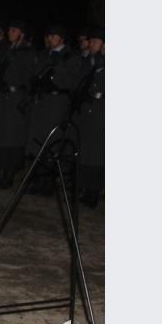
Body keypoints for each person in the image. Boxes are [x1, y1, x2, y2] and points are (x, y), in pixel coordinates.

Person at [26, 24, 82, 195]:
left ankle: (48, 183)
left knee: (52, 142)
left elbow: (72, 80)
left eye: (53, 35)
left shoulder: (71, 56)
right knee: (39, 141)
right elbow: (34, 72)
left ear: (61, 38)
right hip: (42, 100)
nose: (50, 39)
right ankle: (38, 179)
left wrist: (54, 74)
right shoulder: (45, 54)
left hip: (58, 101)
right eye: (48, 36)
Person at [0, 20, 36, 188]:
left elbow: (30, 76)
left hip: (16, 99)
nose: (10, 33)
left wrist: (21, 92)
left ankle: (8, 175)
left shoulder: (27, 52)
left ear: (21, 34)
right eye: (9, 30)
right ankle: (1, 171)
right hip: (3, 98)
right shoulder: (6, 49)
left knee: (12, 139)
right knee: (0, 136)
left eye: (14, 30)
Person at [72, 28, 104, 207]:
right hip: (86, 111)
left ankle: (93, 191)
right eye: (90, 41)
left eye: (95, 42)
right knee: (84, 151)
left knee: (97, 153)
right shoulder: (87, 62)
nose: (90, 44)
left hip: (100, 112)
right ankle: (84, 188)